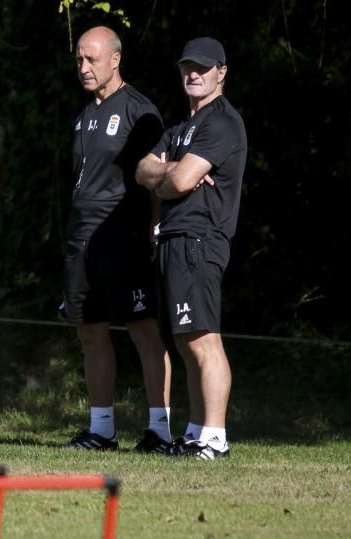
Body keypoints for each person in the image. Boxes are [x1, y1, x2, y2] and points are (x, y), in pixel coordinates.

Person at [60, 26, 173, 453]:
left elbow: (156, 178)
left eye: (91, 59)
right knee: (89, 331)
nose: (83, 67)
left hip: (123, 234)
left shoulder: (139, 111)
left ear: (115, 59)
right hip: (81, 237)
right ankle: (101, 430)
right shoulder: (81, 112)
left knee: (143, 329)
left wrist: (154, 227)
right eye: (78, 60)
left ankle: (159, 432)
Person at [135, 37, 247, 460]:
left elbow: (178, 184)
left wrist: (170, 175)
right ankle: (196, 433)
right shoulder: (181, 128)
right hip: (171, 238)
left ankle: (215, 438)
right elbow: (142, 169)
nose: (193, 74)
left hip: (200, 238)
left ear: (221, 72)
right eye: (187, 67)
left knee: (203, 338)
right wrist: (169, 169)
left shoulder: (222, 122)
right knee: (184, 340)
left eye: (202, 67)